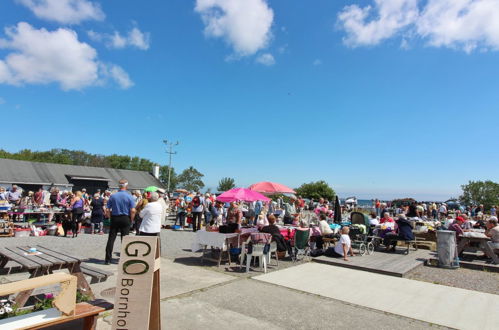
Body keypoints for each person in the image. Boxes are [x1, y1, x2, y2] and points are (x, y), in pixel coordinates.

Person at [105, 179, 136, 265]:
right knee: (125, 239)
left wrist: (109, 217)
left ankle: (108, 259)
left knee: (111, 238)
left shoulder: (113, 196)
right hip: (125, 218)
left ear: (119, 186)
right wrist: (132, 219)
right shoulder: (129, 196)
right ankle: (124, 259)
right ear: (126, 186)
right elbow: (133, 210)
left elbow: (107, 209)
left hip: (115, 217)